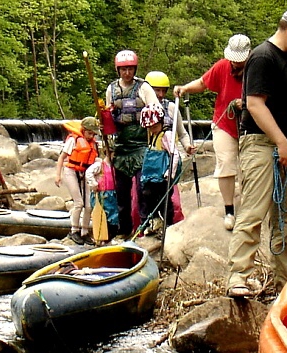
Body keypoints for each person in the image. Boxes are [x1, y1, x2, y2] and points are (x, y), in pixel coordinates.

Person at [226, 7, 287, 298]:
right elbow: (254, 104)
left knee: (286, 218)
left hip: (285, 145)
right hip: (263, 146)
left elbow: (282, 103)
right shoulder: (264, 56)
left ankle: (285, 280)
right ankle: (238, 277)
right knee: (253, 213)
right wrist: (281, 141)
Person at [173, 34, 251, 230]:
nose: (235, 64)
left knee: (250, 168)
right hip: (224, 123)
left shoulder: (257, 68)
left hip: (251, 126)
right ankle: (229, 210)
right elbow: (203, 83)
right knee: (225, 163)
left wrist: (247, 103)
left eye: (239, 61)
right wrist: (185, 89)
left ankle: (249, 209)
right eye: (233, 60)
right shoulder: (223, 66)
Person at [104, 50, 159, 238]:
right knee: (121, 193)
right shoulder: (112, 89)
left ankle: (145, 225)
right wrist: (109, 148)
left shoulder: (144, 88)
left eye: (130, 69)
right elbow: (109, 118)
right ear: (118, 70)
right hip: (121, 147)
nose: (127, 73)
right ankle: (124, 229)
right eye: (123, 69)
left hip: (141, 145)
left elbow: (155, 111)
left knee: (143, 189)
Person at [144, 70, 192, 225]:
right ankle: (149, 226)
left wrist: (187, 146)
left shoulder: (171, 108)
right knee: (145, 198)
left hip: (166, 163)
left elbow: (182, 133)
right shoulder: (144, 110)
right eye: (156, 90)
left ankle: (170, 227)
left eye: (162, 90)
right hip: (150, 163)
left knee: (171, 203)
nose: (160, 94)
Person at [54, 116, 100, 244]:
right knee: (78, 203)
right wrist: (58, 175)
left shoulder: (92, 143)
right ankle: (74, 231)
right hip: (71, 171)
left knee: (88, 205)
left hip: (85, 172)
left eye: (93, 133)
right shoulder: (73, 140)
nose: (91, 136)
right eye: (89, 133)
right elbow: (61, 158)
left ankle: (85, 232)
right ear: (83, 130)